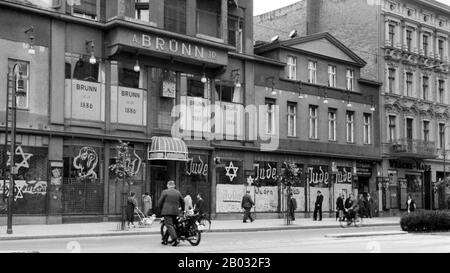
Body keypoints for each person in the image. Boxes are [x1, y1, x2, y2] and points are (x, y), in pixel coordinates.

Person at [157, 180, 185, 246]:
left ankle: (175, 239)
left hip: (167, 211)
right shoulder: (178, 192)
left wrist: (160, 209)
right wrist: (182, 210)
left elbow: (160, 202)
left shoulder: (165, 192)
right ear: (174, 185)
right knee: (171, 225)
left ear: (168, 185)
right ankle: (165, 240)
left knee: (169, 225)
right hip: (175, 212)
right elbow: (183, 202)